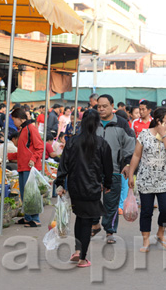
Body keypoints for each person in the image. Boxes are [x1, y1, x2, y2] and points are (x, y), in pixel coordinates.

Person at [56, 109, 113, 268]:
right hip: (93, 187)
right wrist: (108, 184)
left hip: (75, 186)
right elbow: (108, 167)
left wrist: (60, 183)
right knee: (87, 221)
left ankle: (77, 250)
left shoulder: (73, 141)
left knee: (80, 217)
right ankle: (82, 258)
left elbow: (63, 164)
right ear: (96, 124)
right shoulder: (102, 143)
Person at [127, 107, 166, 253]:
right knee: (146, 211)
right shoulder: (144, 134)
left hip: (165, 179)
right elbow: (136, 156)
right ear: (159, 120)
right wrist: (131, 174)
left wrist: (164, 135)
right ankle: (146, 240)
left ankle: (160, 233)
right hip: (146, 179)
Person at [92, 94, 135, 244]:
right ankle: (95, 224)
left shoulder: (122, 123)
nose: (101, 109)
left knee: (111, 204)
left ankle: (110, 231)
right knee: (93, 200)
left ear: (112, 106)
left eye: (105, 106)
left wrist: (128, 164)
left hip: (115, 170)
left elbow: (129, 145)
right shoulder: (93, 122)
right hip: (93, 171)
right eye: (99, 106)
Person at [8, 108, 44, 228]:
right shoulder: (23, 129)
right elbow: (22, 151)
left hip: (30, 166)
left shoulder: (30, 128)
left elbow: (40, 147)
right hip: (23, 166)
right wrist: (7, 156)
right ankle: (28, 217)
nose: (13, 122)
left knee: (31, 193)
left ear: (20, 118)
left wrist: (33, 159)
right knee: (24, 194)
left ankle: (35, 219)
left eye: (14, 120)